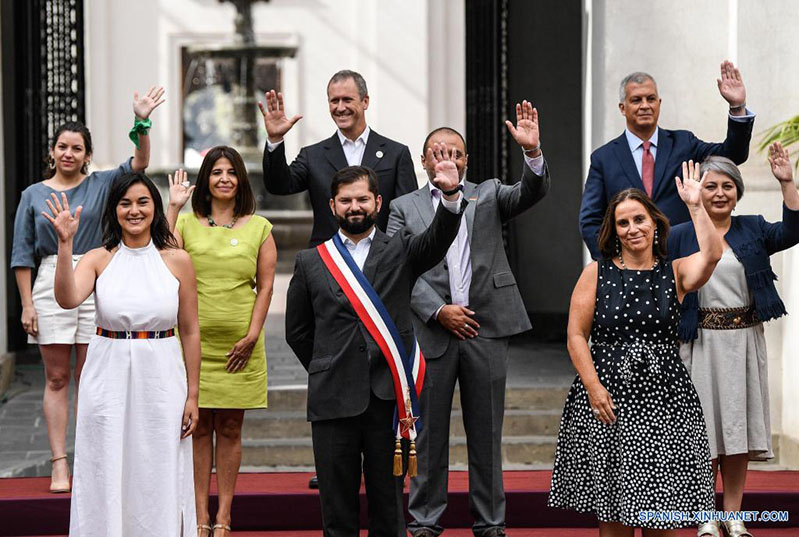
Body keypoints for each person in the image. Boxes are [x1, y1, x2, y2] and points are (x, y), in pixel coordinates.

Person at [386, 101, 549, 537]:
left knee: (487, 433)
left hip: (486, 328)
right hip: (430, 332)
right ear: (423, 161)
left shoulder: (489, 193)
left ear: (467, 161)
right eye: (438, 153)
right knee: (427, 434)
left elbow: (531, 192)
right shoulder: (403, 207)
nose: (448, 159)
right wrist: (438, 310)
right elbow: (396, 267)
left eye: (455, 153)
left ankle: (490, 521)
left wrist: (532, 153)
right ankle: (425, 520)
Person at [285, 157, 465, 537]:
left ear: (378, 203)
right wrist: (328, 364)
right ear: (332, 205)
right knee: (337, 509)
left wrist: (450, 195)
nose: (355, 207)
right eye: (346, 200)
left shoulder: (401, 249)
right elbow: (298, 332)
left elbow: (437, 240)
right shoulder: (311, 261)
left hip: (387, 398)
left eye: (363, 199)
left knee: (388, 508)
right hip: (333, 399)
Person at [549, 162, 724, 536]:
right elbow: (576, 335)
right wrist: (593, 387)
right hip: (609, 400)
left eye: (639, 219)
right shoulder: (596, 273)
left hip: (664, 402)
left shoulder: (675, 271)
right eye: (623, 223)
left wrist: (697, 206)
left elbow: (711, 255)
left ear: (655, 223)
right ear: (613, 230)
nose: (633, 229)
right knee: (614, 514)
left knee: (662, 511)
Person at [10, 87, 165, 493]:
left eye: (77, 148)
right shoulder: (32, 195)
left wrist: (141, 121)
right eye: (62, 146)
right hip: (51, 278)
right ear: (52, 151)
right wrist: (26, 304)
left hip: (97, 277)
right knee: (57, 377)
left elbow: (140, 163)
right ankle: (59, 462)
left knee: (92, 376)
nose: (68, 153)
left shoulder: (102, 183)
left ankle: (91, 458)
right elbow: (22, 253)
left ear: (87, 155)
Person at [43, 172, 200, 536]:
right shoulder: (98, 258)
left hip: (161, 373)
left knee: (157, 465)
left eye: (142, 202)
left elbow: (191, 330)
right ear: (113, 210)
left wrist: (193, 394)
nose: (134, 211)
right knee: (106, 461)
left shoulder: (177, 260)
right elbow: (67, 298)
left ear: (155, 207)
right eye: (125, 203)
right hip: (107, 371)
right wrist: (65, 244)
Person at [669, 144, 799, 537]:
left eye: (728, 186)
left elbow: (793, 231)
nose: (720, 193)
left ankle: (733, 515)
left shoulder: (753, 228)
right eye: (711, 186)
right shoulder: (678, 235)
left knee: (736, 430)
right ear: (698, 190)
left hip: (743, 342)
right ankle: (705, 515)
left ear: (738, 192)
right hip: (698, 343)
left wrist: (787, 183)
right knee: (703, 431)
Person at [166, 146, 277, 537]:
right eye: (216, 172)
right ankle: (200, 516)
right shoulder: (186, 223)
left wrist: (253, 334)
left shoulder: (259, 227)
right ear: (206, 180)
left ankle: (224, 516)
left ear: (241, 179)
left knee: (230, 427)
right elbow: (162, 260)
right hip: (192, 344)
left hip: (239, 347)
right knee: (197, 429)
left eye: (231, 172)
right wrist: (173, 206)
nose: (224, 178)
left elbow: (266, 286)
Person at [579, 61, 754, 259]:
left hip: (683, 260)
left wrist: (737, 107)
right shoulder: (604, 158)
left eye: (651, 99)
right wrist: (613, 262)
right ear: (622, 108)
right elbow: (590, 219)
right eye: (636, 100)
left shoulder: (684, 143)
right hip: (630, 264)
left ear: (659, 103)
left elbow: (732, 155)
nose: (645, 105)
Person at [260, 69, 418, 246]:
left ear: (365, 101)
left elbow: (409, 212)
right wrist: (275, 139)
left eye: (347, 100)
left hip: (381, 257)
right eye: (334, 101)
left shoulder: (396, 154)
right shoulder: (313, 156)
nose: (340, 108)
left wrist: (394, 252)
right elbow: (279, 186)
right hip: (328, 257)